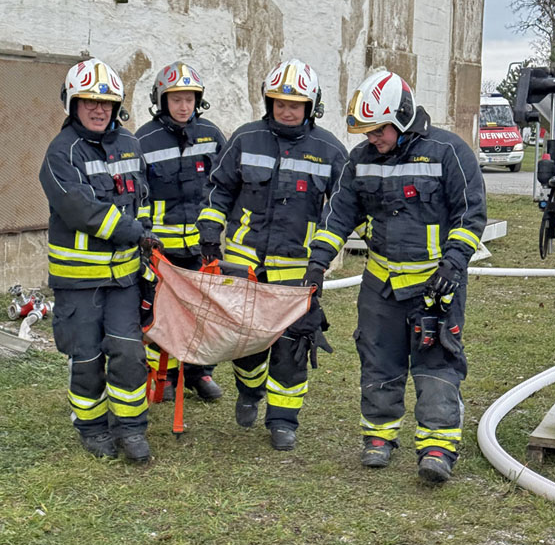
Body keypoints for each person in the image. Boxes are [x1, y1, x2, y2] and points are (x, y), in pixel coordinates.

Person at [306, 70, 486, 482]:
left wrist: (453, 263)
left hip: (435, 285)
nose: (373, 138)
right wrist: (318, 263)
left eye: (378, 129)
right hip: (380, 284)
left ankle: (437, 447)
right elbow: (337, 216)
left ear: (402, 118)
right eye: (367, 131)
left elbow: (470, 213)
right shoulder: (360, 161)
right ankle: (378, 438)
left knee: (436, 360)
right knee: (378, 357)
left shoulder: (447, 152)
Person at [198, 59, 347, 450]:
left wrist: (321, 260)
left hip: (298, 271)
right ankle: (249, 392)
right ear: (268, 102)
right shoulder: (245, 139)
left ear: (311, 106)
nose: (286, 110)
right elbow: (219, 191)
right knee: (245, 343)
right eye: (279, 102)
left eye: (295, 104)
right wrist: (210, 233)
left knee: (292, 348)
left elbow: (342, 211)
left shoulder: (330, 150)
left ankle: (284, 420)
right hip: (244, 265)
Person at [39, 58, 159, 462]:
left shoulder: (130, 144)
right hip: (78, 285)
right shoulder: (60, 153)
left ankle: (131, 429)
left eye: (106, 103)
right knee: (86, 357)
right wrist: (136, 233)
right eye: (88, 102)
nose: (98, 109)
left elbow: (145, 198)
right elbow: (82, 211)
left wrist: (146, 231)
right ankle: (92, 428)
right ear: (72, 105)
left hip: (124, 279)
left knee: (129, 353)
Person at [136, 62, 226, 401]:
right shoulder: (143, 139)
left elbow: (224, 187)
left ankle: (198, 373)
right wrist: (145, 238)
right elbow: (138, 194)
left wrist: (214, 236)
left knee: (202, 314)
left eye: (189, 99)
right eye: (176, 99)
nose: (183, 106)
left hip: (203, 250)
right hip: (160, 252)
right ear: (161, 101)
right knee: (161, 315)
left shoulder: (212, 136)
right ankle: (165, 375)